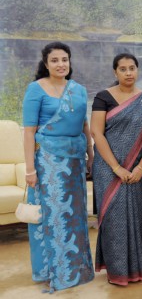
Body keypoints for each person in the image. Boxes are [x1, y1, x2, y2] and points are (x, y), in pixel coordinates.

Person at [22, 42, 94, 292]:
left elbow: (84, 125)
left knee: (74, 216)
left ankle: (76, 268)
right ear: (45, 63)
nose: (61, 64)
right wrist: (30, 170)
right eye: (55, 60)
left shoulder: (78, 90)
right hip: (49, 162)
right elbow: (29, 133)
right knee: (53, 217)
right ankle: (55, 271)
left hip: (74, 161)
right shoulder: (35, 89)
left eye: (65, 59)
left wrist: (91, 154)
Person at [90, 53, 142, 286]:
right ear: (115, 72)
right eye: (123, 69)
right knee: (113, 218)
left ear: (137, 70)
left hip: (138, 170)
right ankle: (117, 271)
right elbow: (96, 133)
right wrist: (116, 167)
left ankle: (136, 269)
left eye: (132, 68)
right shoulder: (104, 97)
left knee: (135, 217)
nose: (129, 73)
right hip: (108, 169)